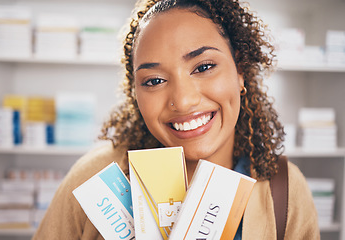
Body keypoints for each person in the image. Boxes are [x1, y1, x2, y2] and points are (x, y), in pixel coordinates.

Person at [33, 0, 320, 239]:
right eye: (154, 80)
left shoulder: (284, 190)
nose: (182, 101)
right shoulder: (95, 177)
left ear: (240, 71)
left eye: (204, 66)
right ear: (135, 94)